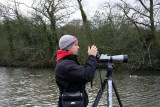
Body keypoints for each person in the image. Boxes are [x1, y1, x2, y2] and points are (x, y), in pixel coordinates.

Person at [55, 34, 98, 107]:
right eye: (75, 45)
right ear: (68, 47)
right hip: (72, 103)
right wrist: (91, 57)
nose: (78, 47)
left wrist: (94, 60)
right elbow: (87, 75)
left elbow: (82, 76)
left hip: (74, 102)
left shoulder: (68, 61)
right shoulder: (65, 65)